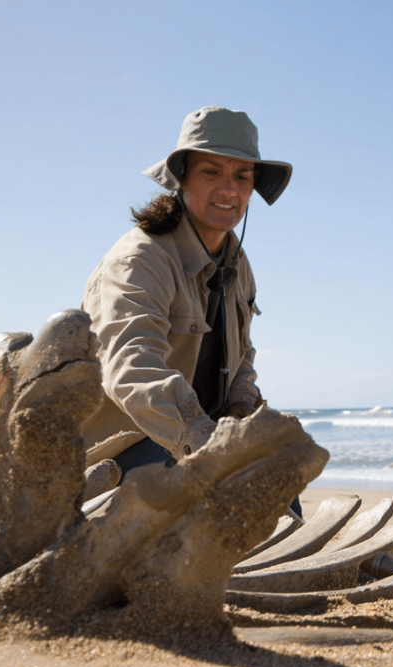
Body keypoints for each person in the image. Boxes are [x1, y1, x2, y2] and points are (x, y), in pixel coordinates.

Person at [79, 106, 300, 514]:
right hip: (122, 452)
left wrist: (239, 413)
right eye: (211, 172)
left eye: (241, 176)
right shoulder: (140, 260)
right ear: (182, 178)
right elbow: (132, 369)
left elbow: (243, 357)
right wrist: (212, 447)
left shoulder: (237, 262)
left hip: (197, 438)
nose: (228, 190)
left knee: (280, 479)